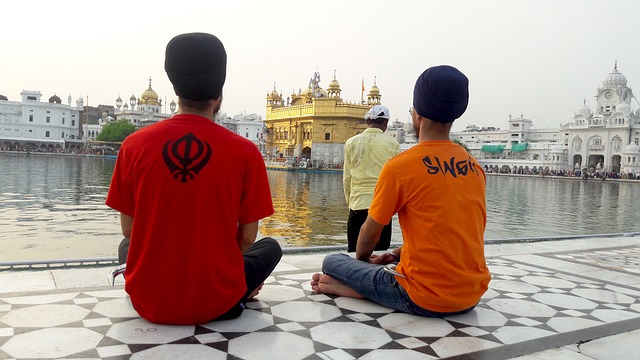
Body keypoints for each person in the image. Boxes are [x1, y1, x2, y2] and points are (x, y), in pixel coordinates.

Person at [106, 32, 282, 325]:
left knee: (128, 247)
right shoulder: (246, 152)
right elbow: (247, 239)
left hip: (149, 301)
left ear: (175, 89)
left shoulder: (134, 145)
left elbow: (129, 229)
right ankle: (242, 289)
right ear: (219, 95)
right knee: (270, 247)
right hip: (218, 301)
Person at [311, 65, 491, 317]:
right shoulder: (474, 167)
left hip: (421, 297)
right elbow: (453, 236)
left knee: (333, 261)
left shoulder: (402, 166)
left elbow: (368, 235)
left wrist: (363, 262)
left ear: (416, 115)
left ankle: (362, 288)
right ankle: (365, 286)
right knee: (385, 261)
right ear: (455, 115)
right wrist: (395, 254)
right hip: (471, 295)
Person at [343, 105, 400, 252]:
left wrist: (351, 202)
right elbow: (397, 179)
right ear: (385, 123)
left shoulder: (351, 143)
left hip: (357, 204)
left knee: (354, 254)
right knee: (380, 255)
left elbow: (347, 178)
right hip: (381, 207)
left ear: (367, 121)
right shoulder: (392, 144)